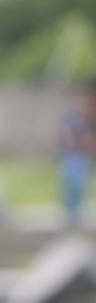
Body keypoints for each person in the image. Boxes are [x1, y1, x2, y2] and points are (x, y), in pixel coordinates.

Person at [57, 87, 94, 228]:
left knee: (80, 184)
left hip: (82, 155)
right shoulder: (70, 117)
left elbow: (88, 137)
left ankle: (76, 213)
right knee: (70, 184)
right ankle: (70, 213)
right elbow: (65, 135)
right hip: (72, 154)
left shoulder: (87, 118)